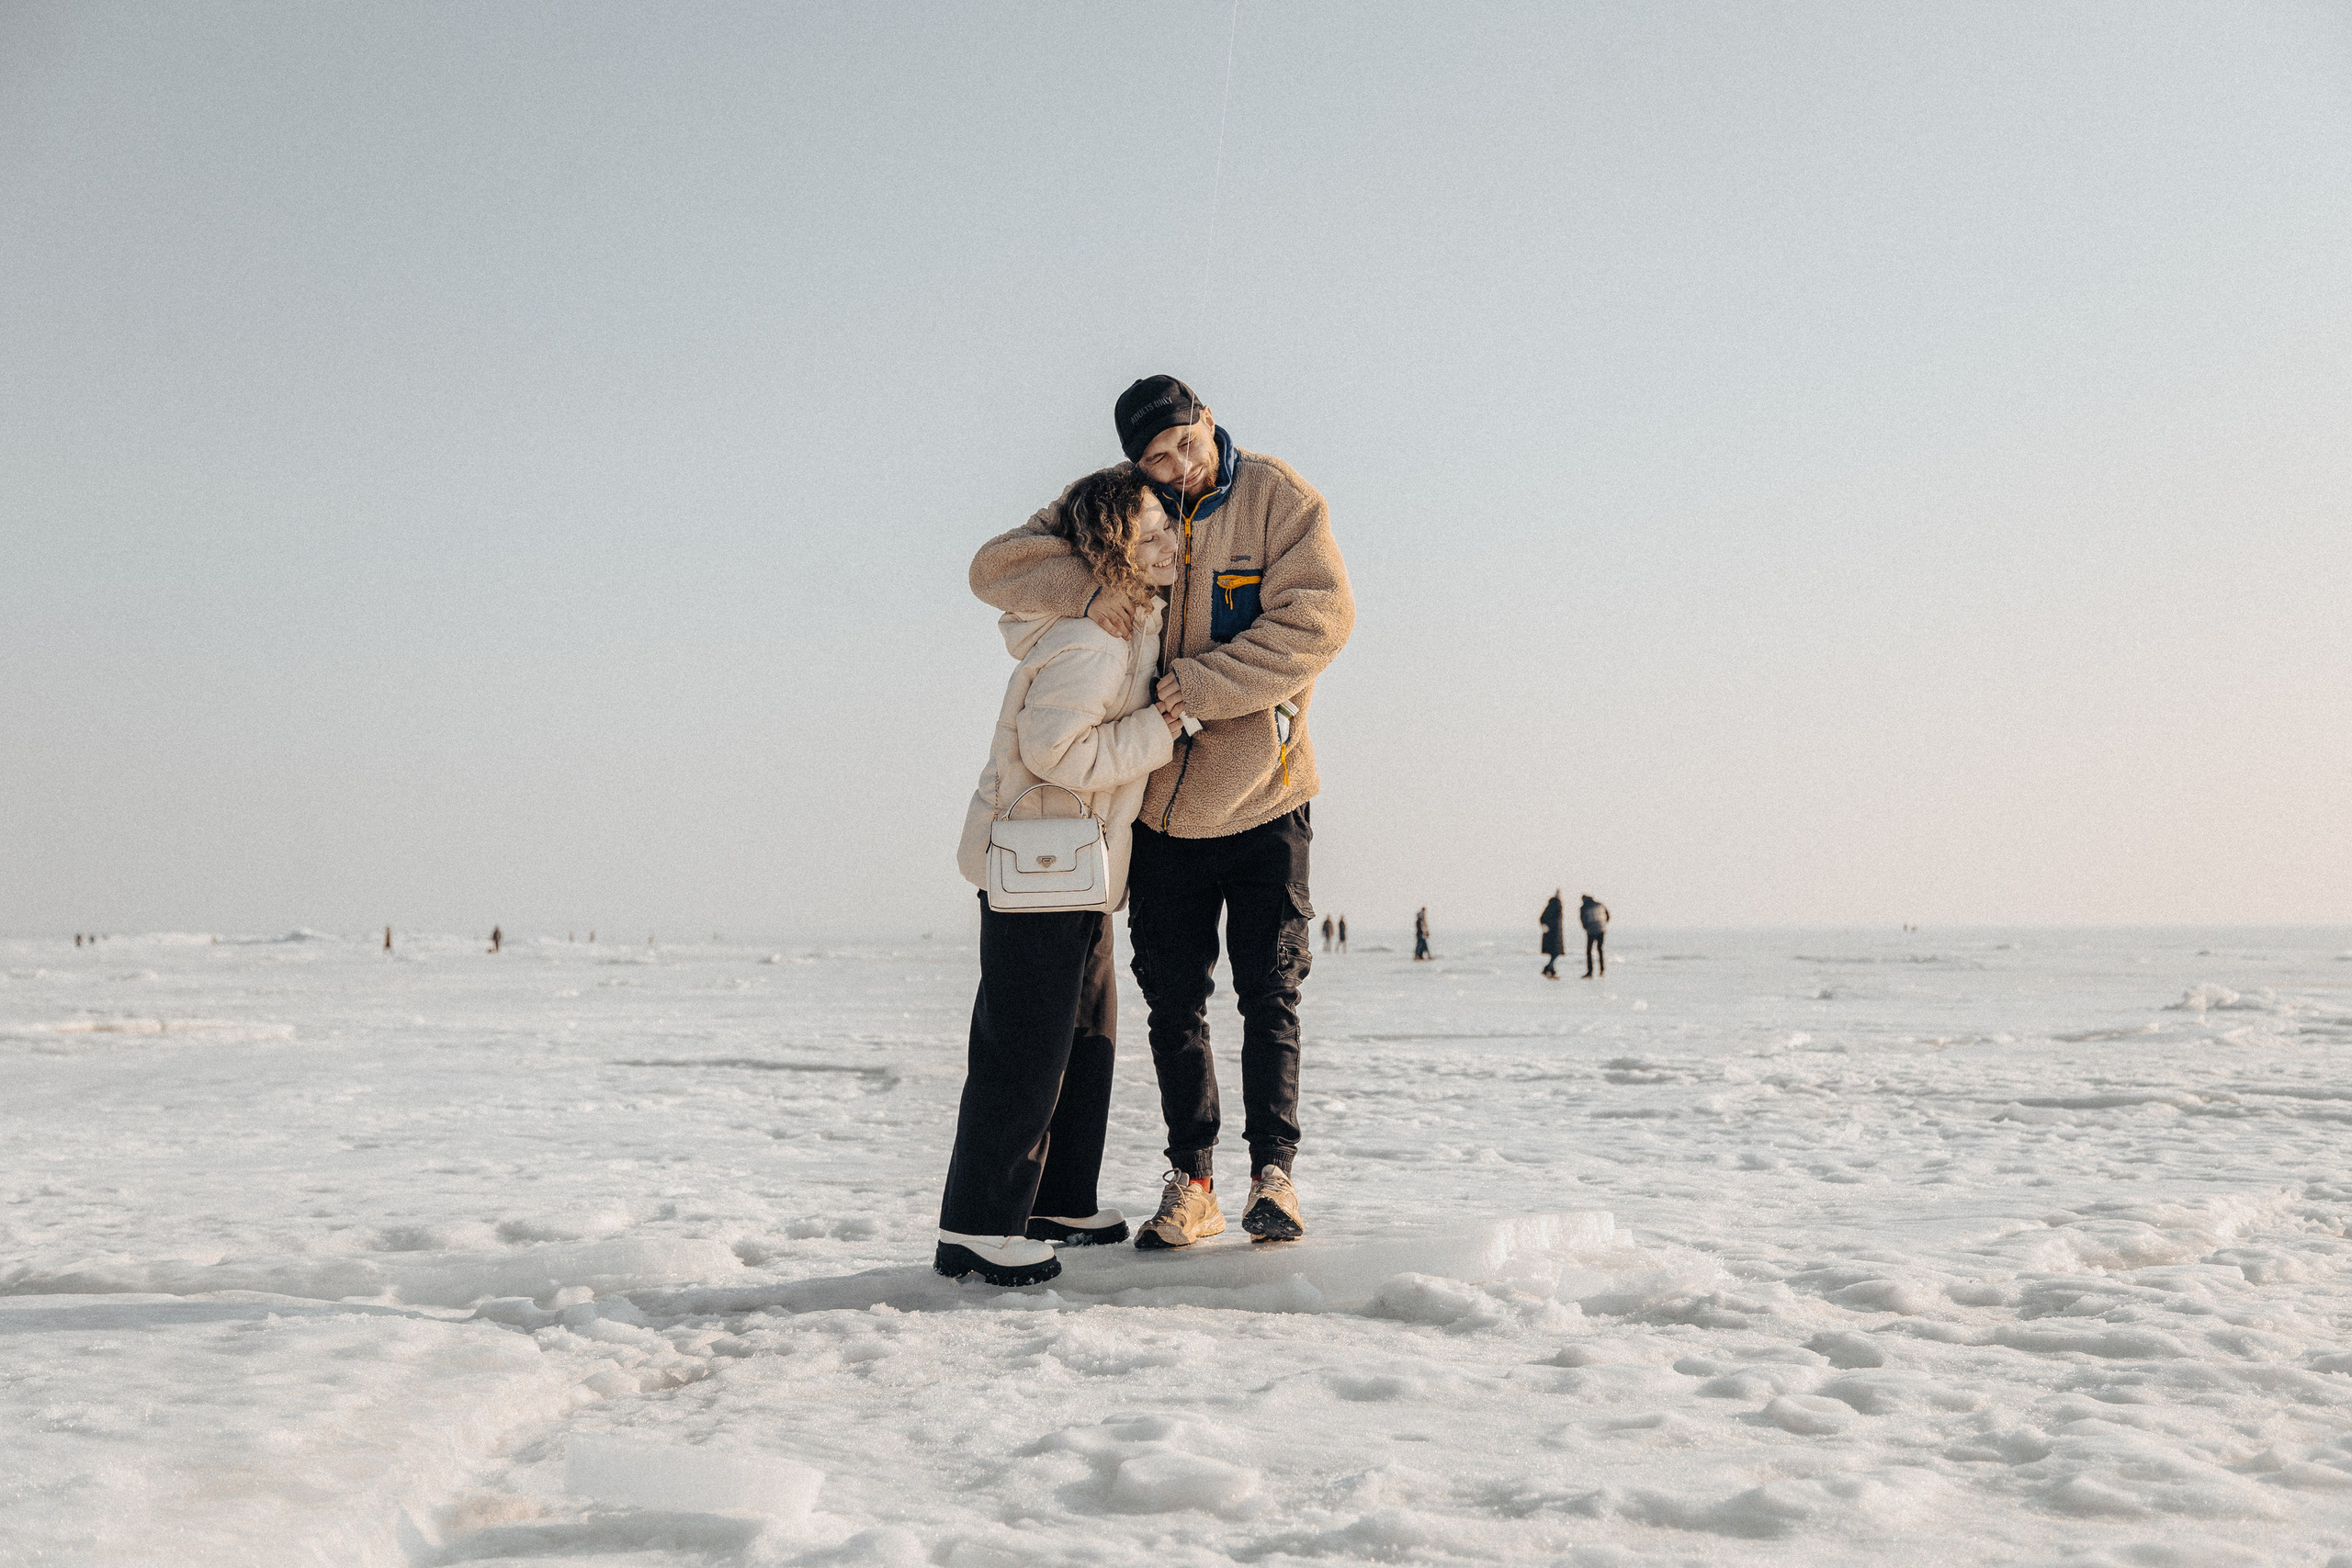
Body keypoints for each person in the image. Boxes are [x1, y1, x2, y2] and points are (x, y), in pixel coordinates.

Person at [970, 377, 1353, 1250]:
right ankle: (1193, 1183)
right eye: (1158, 458)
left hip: (1266, 795)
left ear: (1208, 420)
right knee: (1173, 1004)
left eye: (1188, 444)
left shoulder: (1281, 500)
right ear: (1134, 461)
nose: (1181, 467)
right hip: (1159, 809)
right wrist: (1089, 585)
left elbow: (1320, 623)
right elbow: (995, 568)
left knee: (1270, 994)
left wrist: (1203, 687)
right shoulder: (1117, 504)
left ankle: (1275, 1177)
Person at [936, 465, 1185, 1288]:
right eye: (1149, 534)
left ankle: (1057, 1200)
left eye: (1169, 526)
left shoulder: (1129, 625)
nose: (1170, 544)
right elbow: (1055, 752)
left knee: (1082, 1040)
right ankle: (977, 1226)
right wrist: (1159, 730)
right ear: (1111, 552)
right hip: (1038, 870)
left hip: (1075, 872)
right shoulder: (1091, 640)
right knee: (1023, 1050)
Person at [1581, 895, 1610, 977]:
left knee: (1589, 951)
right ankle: (1602, 970)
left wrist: (1586, 927)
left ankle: (1590, 971)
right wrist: (1603, 924)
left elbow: (1583, 919)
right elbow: (1608, 915)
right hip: (1601, 929)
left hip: (1591, 930)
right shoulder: (1600, 904)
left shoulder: (1584, 907)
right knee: (1600, 949)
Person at [1540, 891, 1566, 979]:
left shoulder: (1552, 904)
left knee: (1554, 953)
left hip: (1552, 932)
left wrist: (1545, 926)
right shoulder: (1556, 904)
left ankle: (1551, 970)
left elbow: (1542, 918)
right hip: (1554, 933)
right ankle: (1548, 968)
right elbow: (1544, 918)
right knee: (1555, 953)